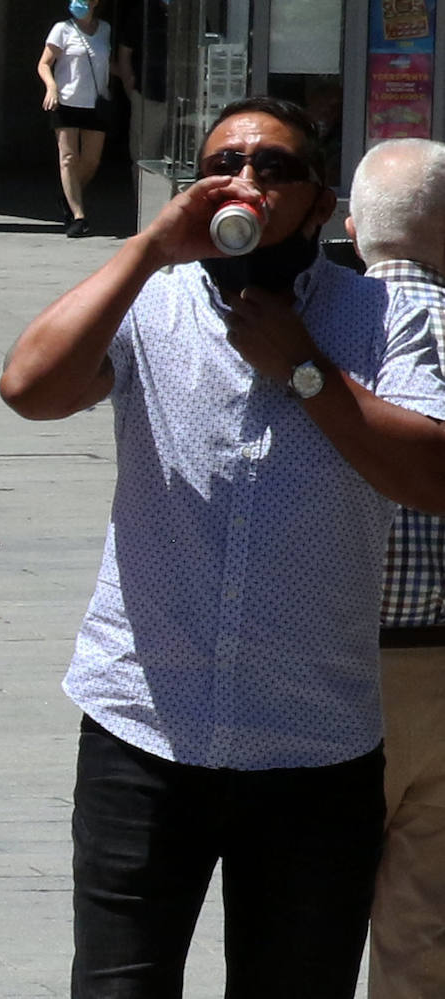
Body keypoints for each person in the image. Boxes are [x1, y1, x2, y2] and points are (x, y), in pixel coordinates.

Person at [0, 97, 445, 997]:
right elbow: (28, 388)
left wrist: (307, 370)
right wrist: (143, 248)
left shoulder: (381, 316)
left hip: (314, 748)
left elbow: (431, 474)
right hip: (145, 730)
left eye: (273, 168)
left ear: (321, 206)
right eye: (224, 162)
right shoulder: (152, 300)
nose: (245, 182)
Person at [344, 138, 445, 999]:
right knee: (423, 920)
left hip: (336, 664)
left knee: (308, 905)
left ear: (351, 227)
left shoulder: (322, 330)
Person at [38, 0, 113, 237]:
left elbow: (107, 64)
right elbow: (44, 63)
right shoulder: (62, 29)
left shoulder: (105, 30)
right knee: (69, 158)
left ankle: (68, 195)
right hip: (66, 101)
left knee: (91, 161)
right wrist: (51, 87)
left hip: (95, 102)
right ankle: (79, 215)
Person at [117, 0, 168, 175]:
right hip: (148, 95)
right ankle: (144, 202)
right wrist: (128, 84)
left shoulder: (192, 12)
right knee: (145, 157)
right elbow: (125, 52)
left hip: (186, 100)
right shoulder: (143, 12)